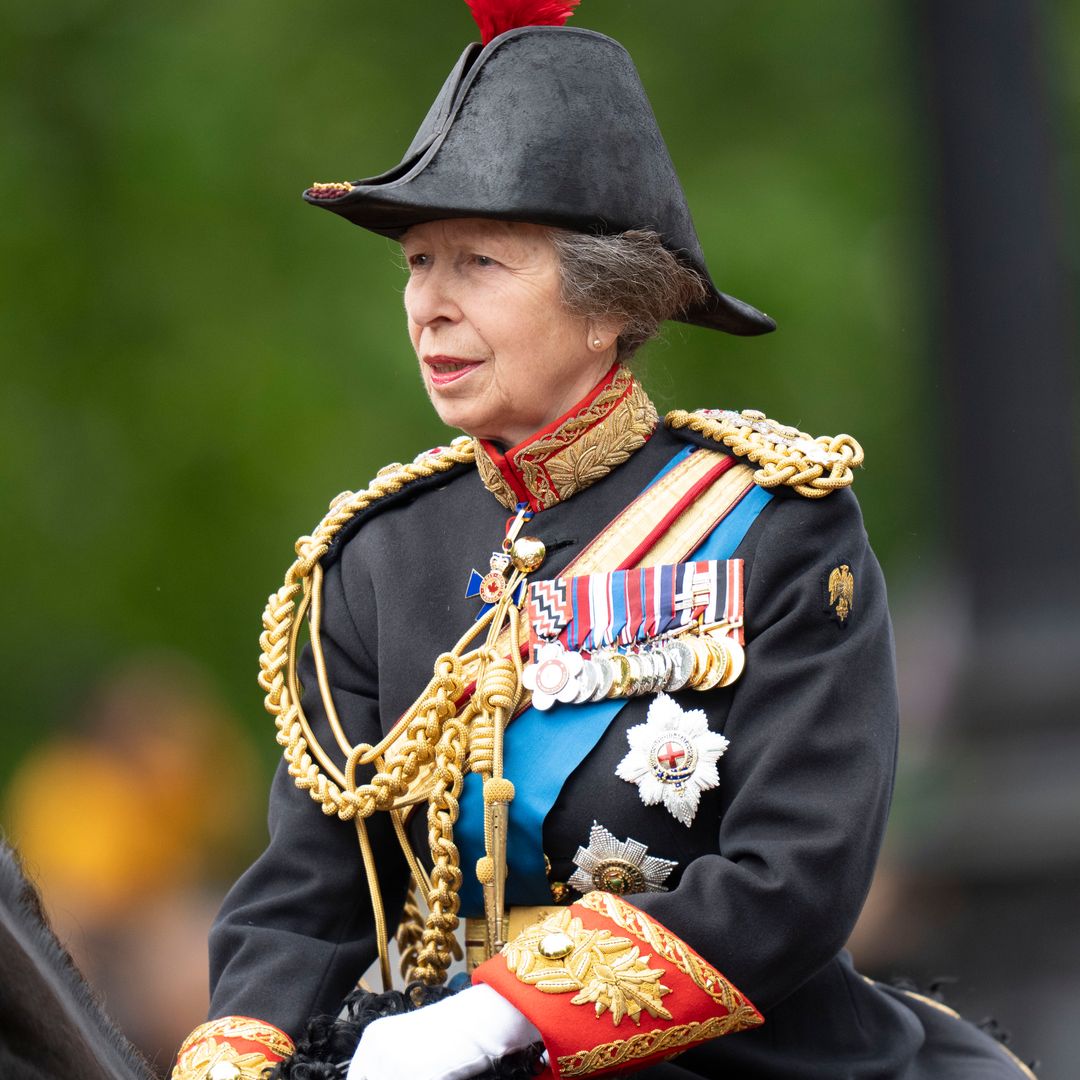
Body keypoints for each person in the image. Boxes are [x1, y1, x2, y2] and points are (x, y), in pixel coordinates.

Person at [172, 3, 1036, 1079]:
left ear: (608, 306)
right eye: (416, 263)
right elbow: (305, 895)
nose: (428, 307)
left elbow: (796, 877)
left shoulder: (774, 527)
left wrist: (497, 1016)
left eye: (477, 263)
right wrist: (240, 1050)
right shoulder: (374, 561)